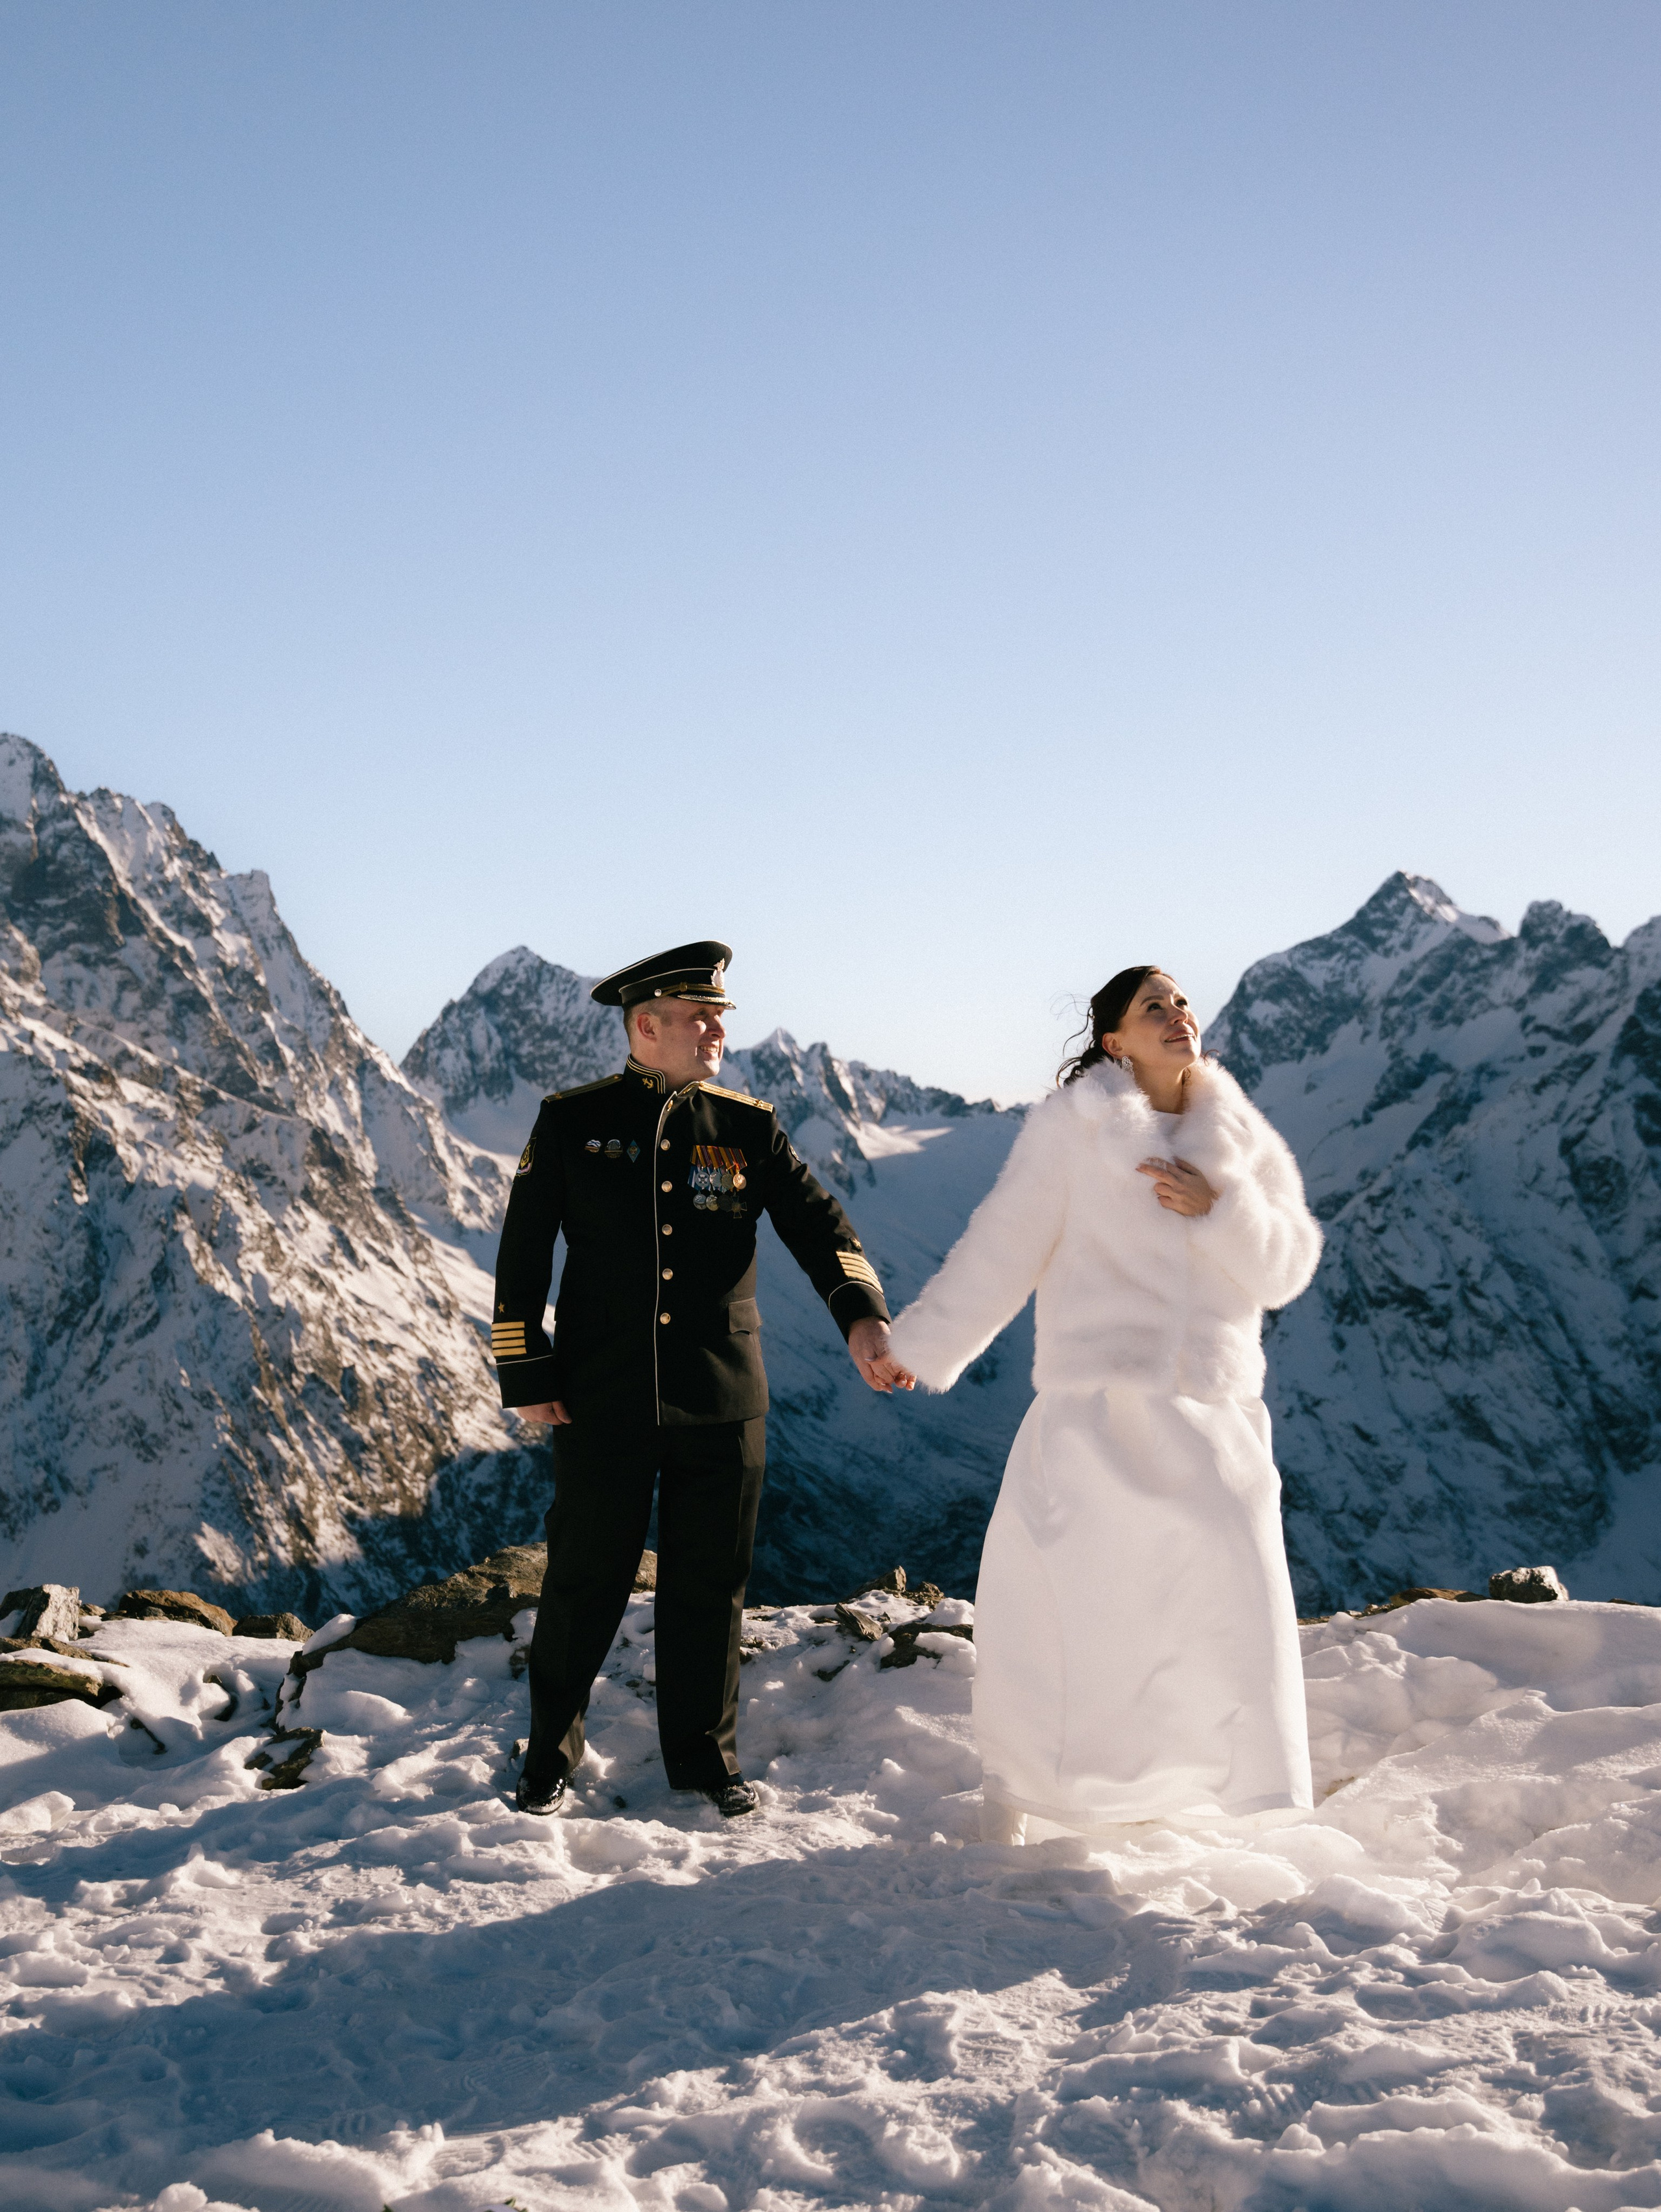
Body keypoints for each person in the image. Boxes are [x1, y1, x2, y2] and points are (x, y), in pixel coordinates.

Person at [887, 966, 1322, 1844]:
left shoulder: (1231, 1125)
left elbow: (1289, 1264)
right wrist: (919, 1350)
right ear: (1115, 1039)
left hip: (1217, 1413)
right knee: (1097, 1611)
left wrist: (1221, 1205)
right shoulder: (1076, 1129)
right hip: (1099, 1416)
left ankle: (1247, 1797)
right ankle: (1072, 1791)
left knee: (1233, 1590)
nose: (1178, 1015)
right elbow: (1004, 1244)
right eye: (1153, 1006)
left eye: (1183, 1001)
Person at [492, 939, 915, 1819]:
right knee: (583, 1577)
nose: (718, 1028)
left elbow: (819, 1225)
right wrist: (524, 1366)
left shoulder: (746, 1126)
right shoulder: (572, 1121)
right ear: (647, 1025)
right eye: (699, 1015)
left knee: (709, 1585)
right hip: (602, 1393)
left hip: (725, 1397)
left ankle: (705, 1759)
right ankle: (548, 1756)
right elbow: (524, 1253)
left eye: (720, 1014)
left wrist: (862, 1312)